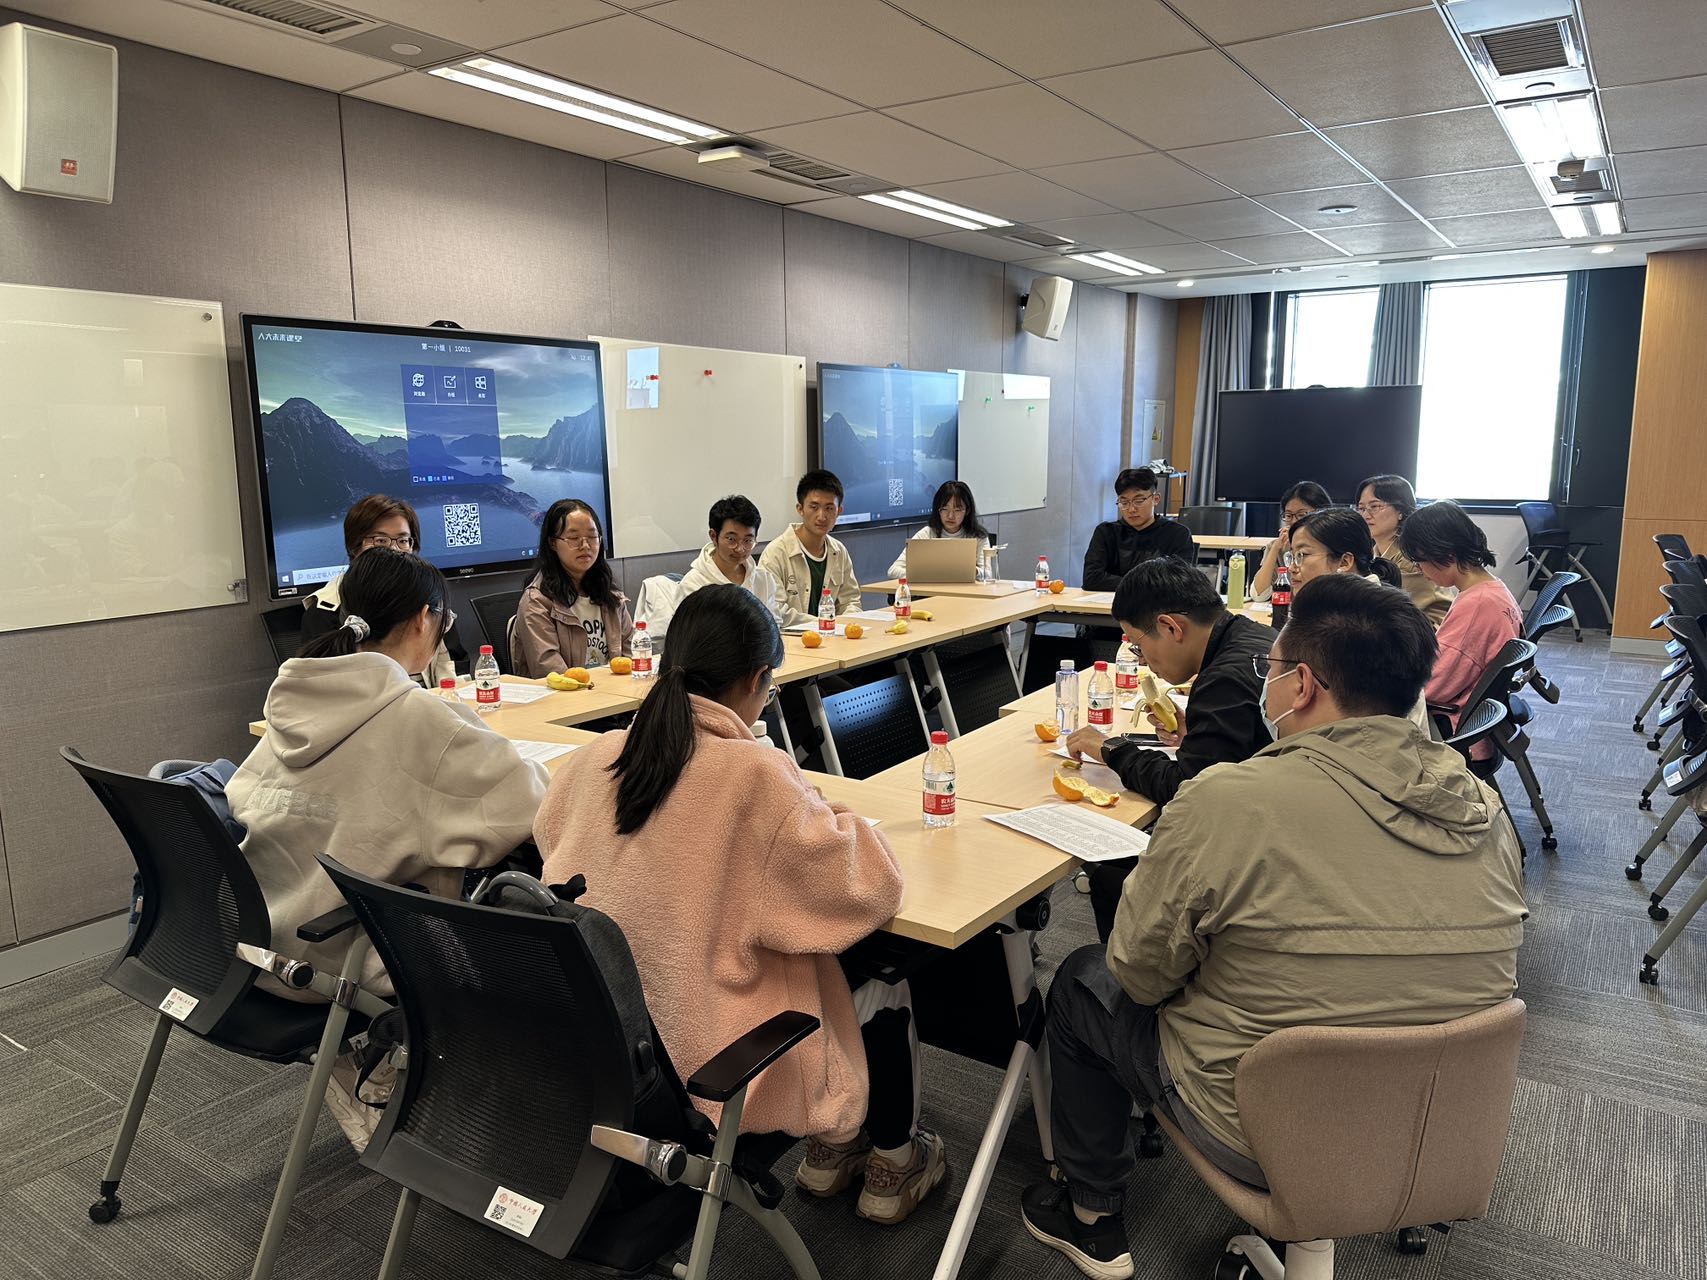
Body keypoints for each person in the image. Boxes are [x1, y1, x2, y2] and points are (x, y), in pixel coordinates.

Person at [1020, 574, 1527, 1279]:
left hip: (1270, 1129)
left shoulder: (1227, 801)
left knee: (1085, 978)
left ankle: (1090, 1213)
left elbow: (1138, 973)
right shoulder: (1483, 808)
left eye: (1274, 667)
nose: (1266, 681)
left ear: (1304, 685)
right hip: (1440, 1126)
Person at [535, 585, 947, 1224]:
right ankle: (894, 1161)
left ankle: (833, 1152)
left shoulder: (597, 757)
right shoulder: (754, 775)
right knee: (884, 978)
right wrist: (821, 802)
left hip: (603, 1051)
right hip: (707, 1071)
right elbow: (867, 886)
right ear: (756, 680)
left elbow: (549, 837)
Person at [230, 549, 548, 1148]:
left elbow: (239, 795)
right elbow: (529, 808)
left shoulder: (296, 700)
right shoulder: (418, 718)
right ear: (426, 619)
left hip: (259, 940)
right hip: (352, 959)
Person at [1063, 556, 1273, 940]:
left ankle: (1130, 979)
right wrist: (1197, 734)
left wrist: (1112, 749)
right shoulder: (1254, 637)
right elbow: (1241, 750)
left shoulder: (1223, 680)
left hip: (1252, 862)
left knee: (1112, 872)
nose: (1143, 661)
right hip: (1275, 829)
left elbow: (1186, 789)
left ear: (1171, 627)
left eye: (1138, 647)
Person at [1400, 499, 1523, 755]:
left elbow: (1431, 687)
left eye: (1420, 562)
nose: (1420, 571)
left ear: (1446, 555)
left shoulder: (1477, 605)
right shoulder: (1493, 589)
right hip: (1477, 724)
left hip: (1452, 731)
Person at [298, 494, 464, 684]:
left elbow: (459, 665)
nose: (394, 551)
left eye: (403, 541)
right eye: (380, 541)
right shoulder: (325, 611)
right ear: (354, 547)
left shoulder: (432, 600)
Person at [513, 499, 634, 677]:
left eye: (592, 537)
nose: (585, 546)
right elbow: (550, 671)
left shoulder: (611, 595)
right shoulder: (537, 602)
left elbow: (631, 656)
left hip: (615, 691)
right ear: (552, 543)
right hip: (567, 693)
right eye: (574, 538)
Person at [668, 494, 789, 630]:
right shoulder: (693, 585)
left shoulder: (763, 580)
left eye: (748, 540)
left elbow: (774, 627)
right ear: (713, 536)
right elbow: (684, 635)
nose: (740, 548)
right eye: (731, 539)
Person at [759, 469, 863, 625]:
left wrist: (847, 622)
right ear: (800, 509)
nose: (822, 516)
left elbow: (851, 601)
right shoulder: (775, 553)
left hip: (833, 636)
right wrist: (822, 623)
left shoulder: (839, 551)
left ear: (839, 511)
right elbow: (775, 611)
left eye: (829, 508)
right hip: (789, 638)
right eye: (814, 507)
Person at [1355, 474, 1452, 626]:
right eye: (1361, 508)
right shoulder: (1374, 551)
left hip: (1430, 630)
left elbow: (1386, 606)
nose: (1365, 515)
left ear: (1400, 510)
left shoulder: (1412, 555)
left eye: (1374, 507)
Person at [1081, 467, 1196, 592]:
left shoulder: (1177, 534)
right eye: (1124, 502)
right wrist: (1148, 584)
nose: (1131, 509)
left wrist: (1125, 584)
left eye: (1139, 501)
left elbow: (1179, 582)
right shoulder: (1106, 532)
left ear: (1155, 499)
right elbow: (1091, 579)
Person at [887, 479, 998, 580]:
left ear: (967, 511)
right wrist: (928, 576)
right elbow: (893, 570)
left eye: (957, 510)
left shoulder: (978, 537)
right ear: (937, 509)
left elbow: (988, 575)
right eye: (944, 509)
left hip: (967, 594)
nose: (950, 516)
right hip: (931, 594)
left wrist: (972, 571)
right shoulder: (927, 534)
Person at [1248, 480, 1330, 600]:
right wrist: (1275, 548)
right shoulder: (1278, 546)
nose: (1294, 521)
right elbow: (1258, 595)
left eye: (1302, 515)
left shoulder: (1329, 545)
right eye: (1288, 515)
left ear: (1322, 513)